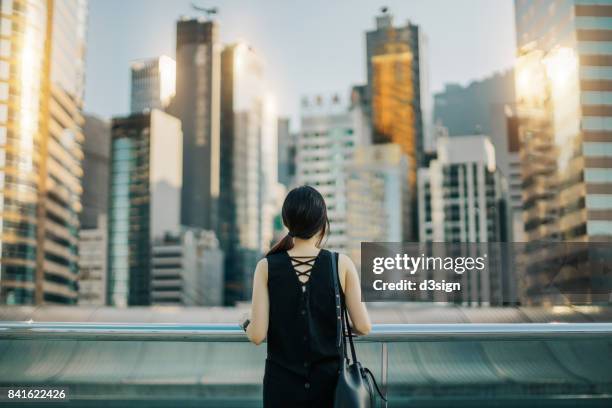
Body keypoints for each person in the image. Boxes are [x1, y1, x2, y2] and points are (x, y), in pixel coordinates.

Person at [240, 185, 371, 408]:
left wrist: (246, 323)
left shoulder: (266, 266)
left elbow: (257, 335)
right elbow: (363, 326)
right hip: (329, 388)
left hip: (281, 389)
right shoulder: (340, 263)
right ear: (322, 222)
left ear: (286, 221)